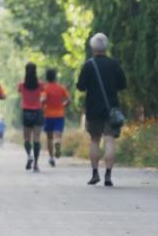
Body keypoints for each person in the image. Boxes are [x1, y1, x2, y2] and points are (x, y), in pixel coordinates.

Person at [76, 33, 127, 186]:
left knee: (95, 140)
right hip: (111, 109)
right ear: (106, 47)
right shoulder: (114, 64)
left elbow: (80, 86)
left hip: (93, 109)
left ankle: (94, 173)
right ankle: (108, 176)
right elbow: (123, 85)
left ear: (92, 48)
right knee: (110, 140)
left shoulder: (88, 65)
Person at [18, 62, 44, 172]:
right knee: (37, 139)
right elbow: (42, 93)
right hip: (37, 112)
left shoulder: (22, 85)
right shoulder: (40, 84)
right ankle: (36, 164)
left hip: (26, 112)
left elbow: (20, 92)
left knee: (27, 138)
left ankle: (29, 155)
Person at [42, 69, 70, 167]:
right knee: (58, 135)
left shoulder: (45, 89)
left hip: (48, 115)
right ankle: (57, 143)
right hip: (59, 114)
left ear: (47, 78)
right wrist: (63, 105)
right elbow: (69, 100)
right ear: (55, 77)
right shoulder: (61, 88)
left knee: (49, 138)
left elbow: (43, 100)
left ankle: (51, 158)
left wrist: (43, 107)